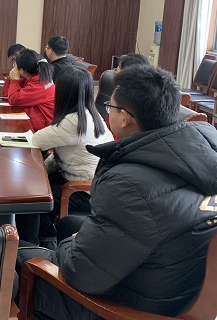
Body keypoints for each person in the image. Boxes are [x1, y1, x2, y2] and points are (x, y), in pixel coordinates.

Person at [17, 65, 217, 319]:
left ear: (124, 117)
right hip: (170, 288)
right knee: (69, 224)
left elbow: (81, 274)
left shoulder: (130, 184)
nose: (106, 112)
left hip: (128, 307)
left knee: (10, 254)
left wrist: (73, 242)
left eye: (109, 107)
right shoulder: (201, 156)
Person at [29, 66, 113, 242]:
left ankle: (35, 242)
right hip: (90, 182)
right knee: (35, 183)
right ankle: (44, 234)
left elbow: (36, 140)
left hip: (84, 191)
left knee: (33, 197)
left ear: (63, 93)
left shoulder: (74, 121)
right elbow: (59, 156)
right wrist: (43, 170)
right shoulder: (90, 114)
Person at [6, 49, 55, 132]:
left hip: (42, 130)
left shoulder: (40, 83)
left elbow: (14, 99)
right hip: (35, 122)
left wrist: (14, 80)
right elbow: (6, 93)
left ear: (22, 71)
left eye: (15, 66)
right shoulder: (34, 77)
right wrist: (12, 78)